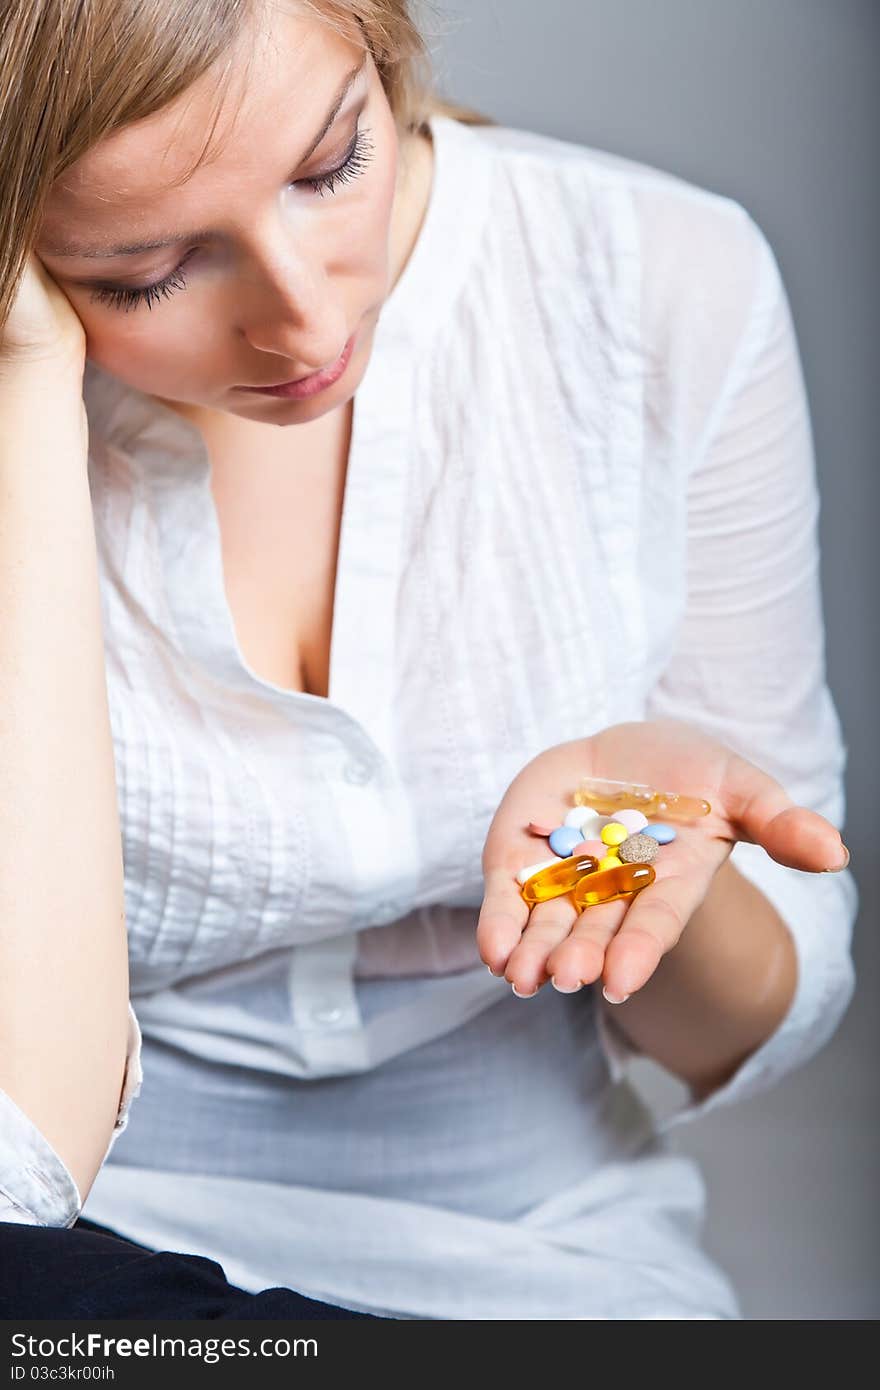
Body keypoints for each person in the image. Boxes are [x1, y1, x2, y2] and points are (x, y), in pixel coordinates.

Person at [0, 0, 858, 1321]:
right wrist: (24, 388)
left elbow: (753, 1025)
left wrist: (643, 854)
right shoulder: (21, 388)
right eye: (144, 274)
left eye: (333, 164)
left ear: (384, 53)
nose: (299, 320)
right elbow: (20, 1163)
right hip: (83, 1266)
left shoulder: (659, 281)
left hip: (544, 1255)